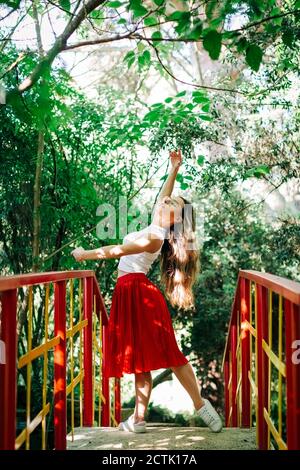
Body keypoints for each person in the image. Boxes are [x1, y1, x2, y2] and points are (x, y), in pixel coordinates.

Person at [71, 149, 222, 434]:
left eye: (171, 204)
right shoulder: (157, 221)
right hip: (128, 292)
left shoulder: (155, 237)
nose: (164, 201)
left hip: (140, 294)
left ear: (174, 217)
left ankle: (202, 406)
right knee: (140, 357)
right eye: (166, 200)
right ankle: (138, 420)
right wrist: (174, 168)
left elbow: (117, 250)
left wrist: (84, 254)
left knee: (169, 354)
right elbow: (163, 195)